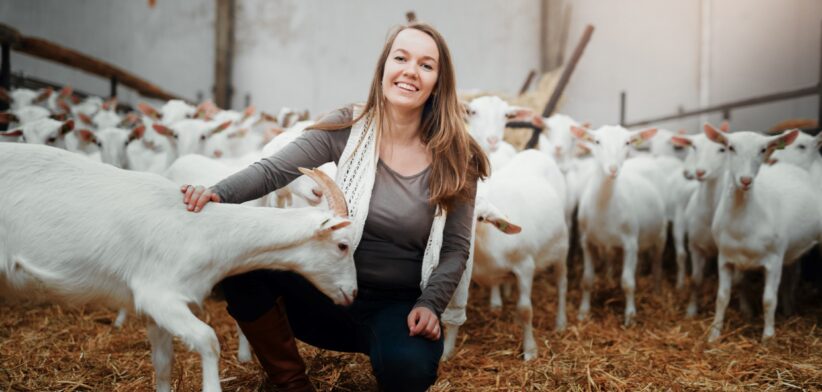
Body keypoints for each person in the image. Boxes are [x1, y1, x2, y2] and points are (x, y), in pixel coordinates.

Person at [180, 22, 489, 392]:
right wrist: (216, 193)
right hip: (328, 286)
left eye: (426, 65)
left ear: (439, 81)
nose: (410, 71)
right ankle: (290, 383)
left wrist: (431, 304)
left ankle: (394, 352)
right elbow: (274, 170)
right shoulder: (351, 125)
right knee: (242, 264)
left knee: (409, 370)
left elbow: (456, 249)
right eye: (401, 58)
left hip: (400, 308)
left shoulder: (457, 155)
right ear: (383, 68)